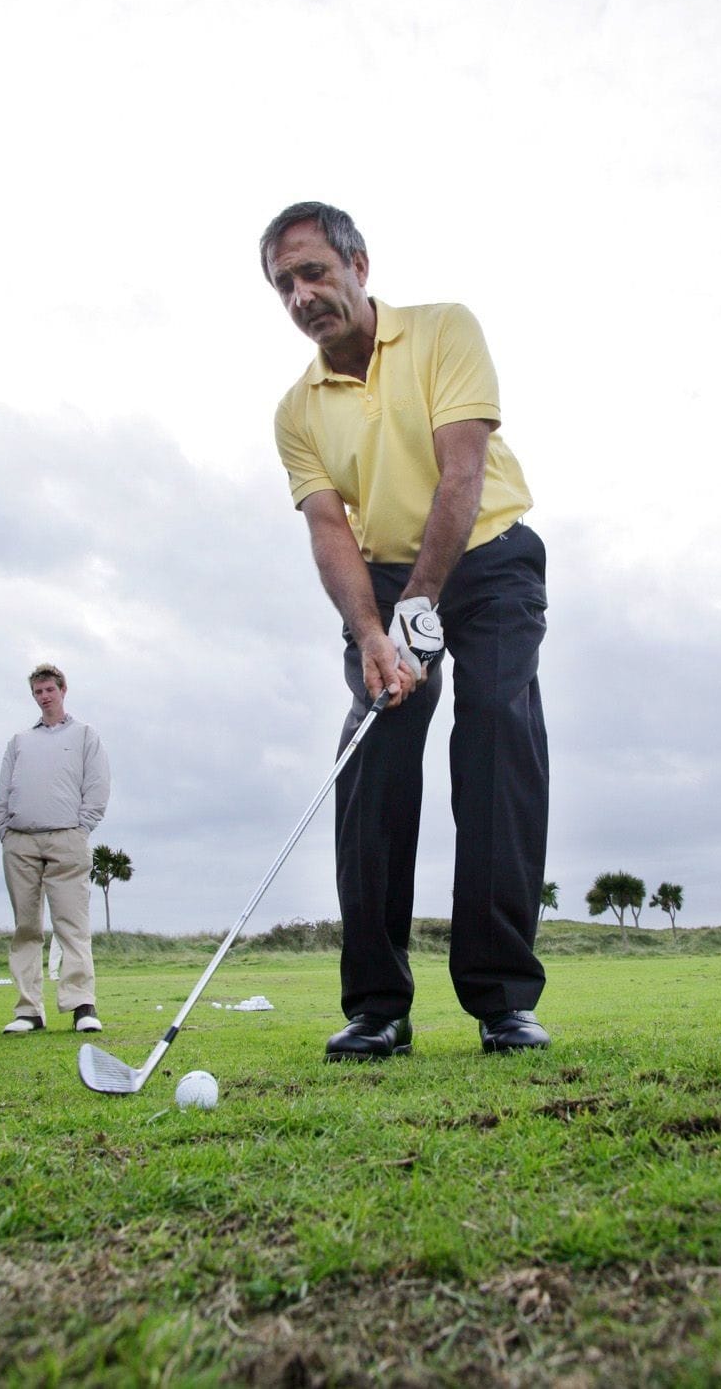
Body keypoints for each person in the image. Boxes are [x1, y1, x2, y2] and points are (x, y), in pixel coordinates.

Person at [261, 201, 551, 1060]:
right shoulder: (297, 410)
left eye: (314, 271)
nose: (303, 294)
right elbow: (328, 529)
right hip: (384, 579)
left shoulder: (443, 331)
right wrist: (370, 634)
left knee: (497, 737)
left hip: (489, 556)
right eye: (285, 284)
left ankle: (502, 1000)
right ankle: (378, 1004)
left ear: (357, 264)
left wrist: (424, 603)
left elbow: (462, 470)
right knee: (373, 757)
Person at [0, 664, 110, 1034]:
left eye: (49, 690)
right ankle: (28, 1010)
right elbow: (3, 789)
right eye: (38, 692)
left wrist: (81, 827)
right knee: (26, 927)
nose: (44, 697)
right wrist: (3, 828)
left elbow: (98, 785)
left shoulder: (85, 735)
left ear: (62, 690)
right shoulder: (20, 740)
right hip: (21, 840)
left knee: (71, 925)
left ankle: (81, 1005)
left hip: (66, 839)